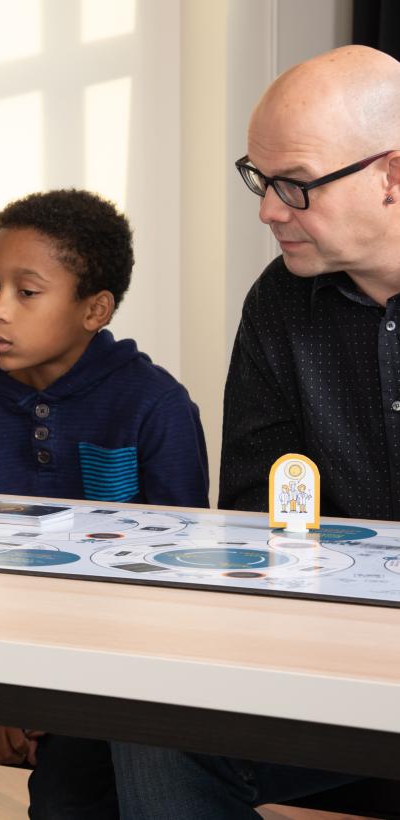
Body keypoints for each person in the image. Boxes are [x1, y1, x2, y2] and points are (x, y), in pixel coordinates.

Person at [110, 43, 400, 819]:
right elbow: (253, 519)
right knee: (146, 722)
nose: (269, 209)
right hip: (332, 648)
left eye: (295, 185)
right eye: (260, 180)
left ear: (393, 175)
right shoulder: (280, 303)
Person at [0, 189, 209, 820]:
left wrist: (55, 699)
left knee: (63, 802)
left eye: (26, 292)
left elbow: (178, 591)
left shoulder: (155, 407)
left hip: (113, 679)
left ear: (94, 309)